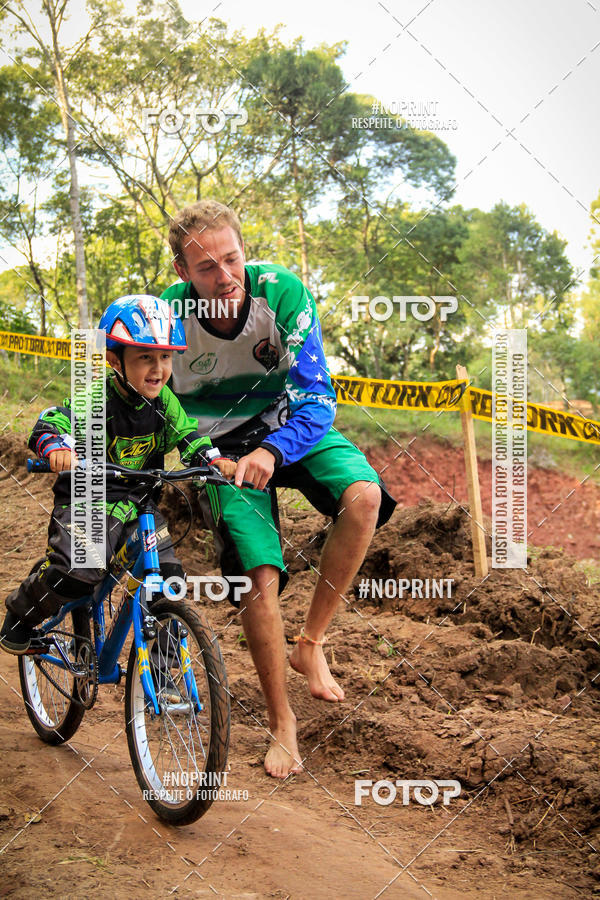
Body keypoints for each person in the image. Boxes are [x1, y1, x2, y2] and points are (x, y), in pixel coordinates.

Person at [161, 200, 397, 779]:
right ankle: (281, 723)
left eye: (231, 258)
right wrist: (206, 453)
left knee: (363, 497)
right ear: (183, 272)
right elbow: (155, 392)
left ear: (245, 250)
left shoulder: (284, 293)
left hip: (288, 425)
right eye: (206, 267)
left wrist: (273, 449)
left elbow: (318, 395)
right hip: (216, 448)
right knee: (258, 574)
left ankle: (310, 642)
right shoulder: (164, 315)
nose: (224, 277)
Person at [0, 295, 234, 655]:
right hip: (89, 500)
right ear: (113, 359)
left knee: (169, 577)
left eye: (165, 357)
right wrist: (57, 446)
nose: (158, 369)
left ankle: (163, 662)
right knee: (79, 573)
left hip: (139, 503)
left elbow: (188, 434)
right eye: (145, 357)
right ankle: (19, 618)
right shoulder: (97, 399)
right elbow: (55, 418)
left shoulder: (164, 401)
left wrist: (211, 459)